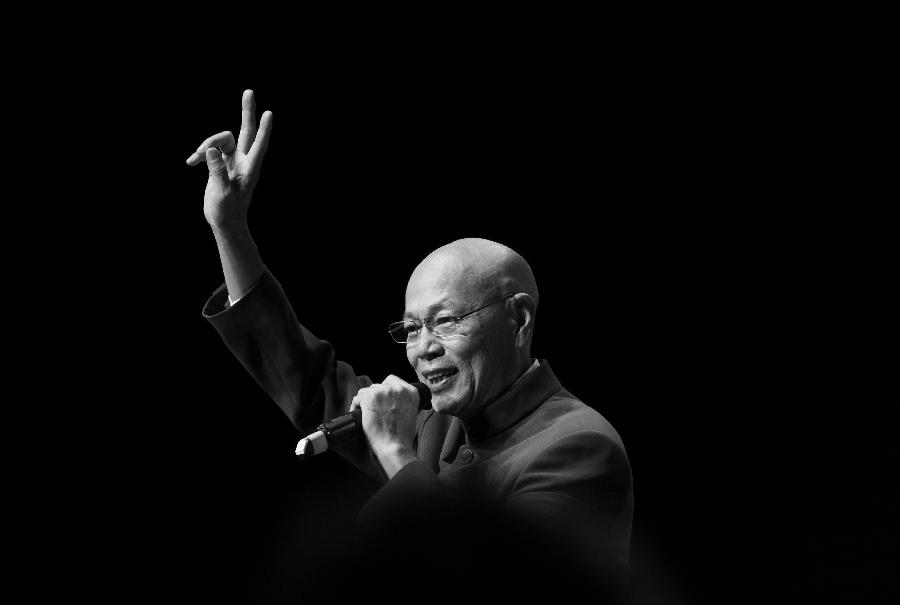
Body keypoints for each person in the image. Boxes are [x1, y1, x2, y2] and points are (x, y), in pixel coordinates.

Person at [188, 90, 634, 600]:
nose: (422, 348)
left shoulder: (578, 447)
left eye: (444, 321)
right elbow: (310, 381)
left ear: (519, 320)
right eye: (411, 329)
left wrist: (396, 450)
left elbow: (495, 581)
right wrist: (230, 229)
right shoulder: (443, 429)